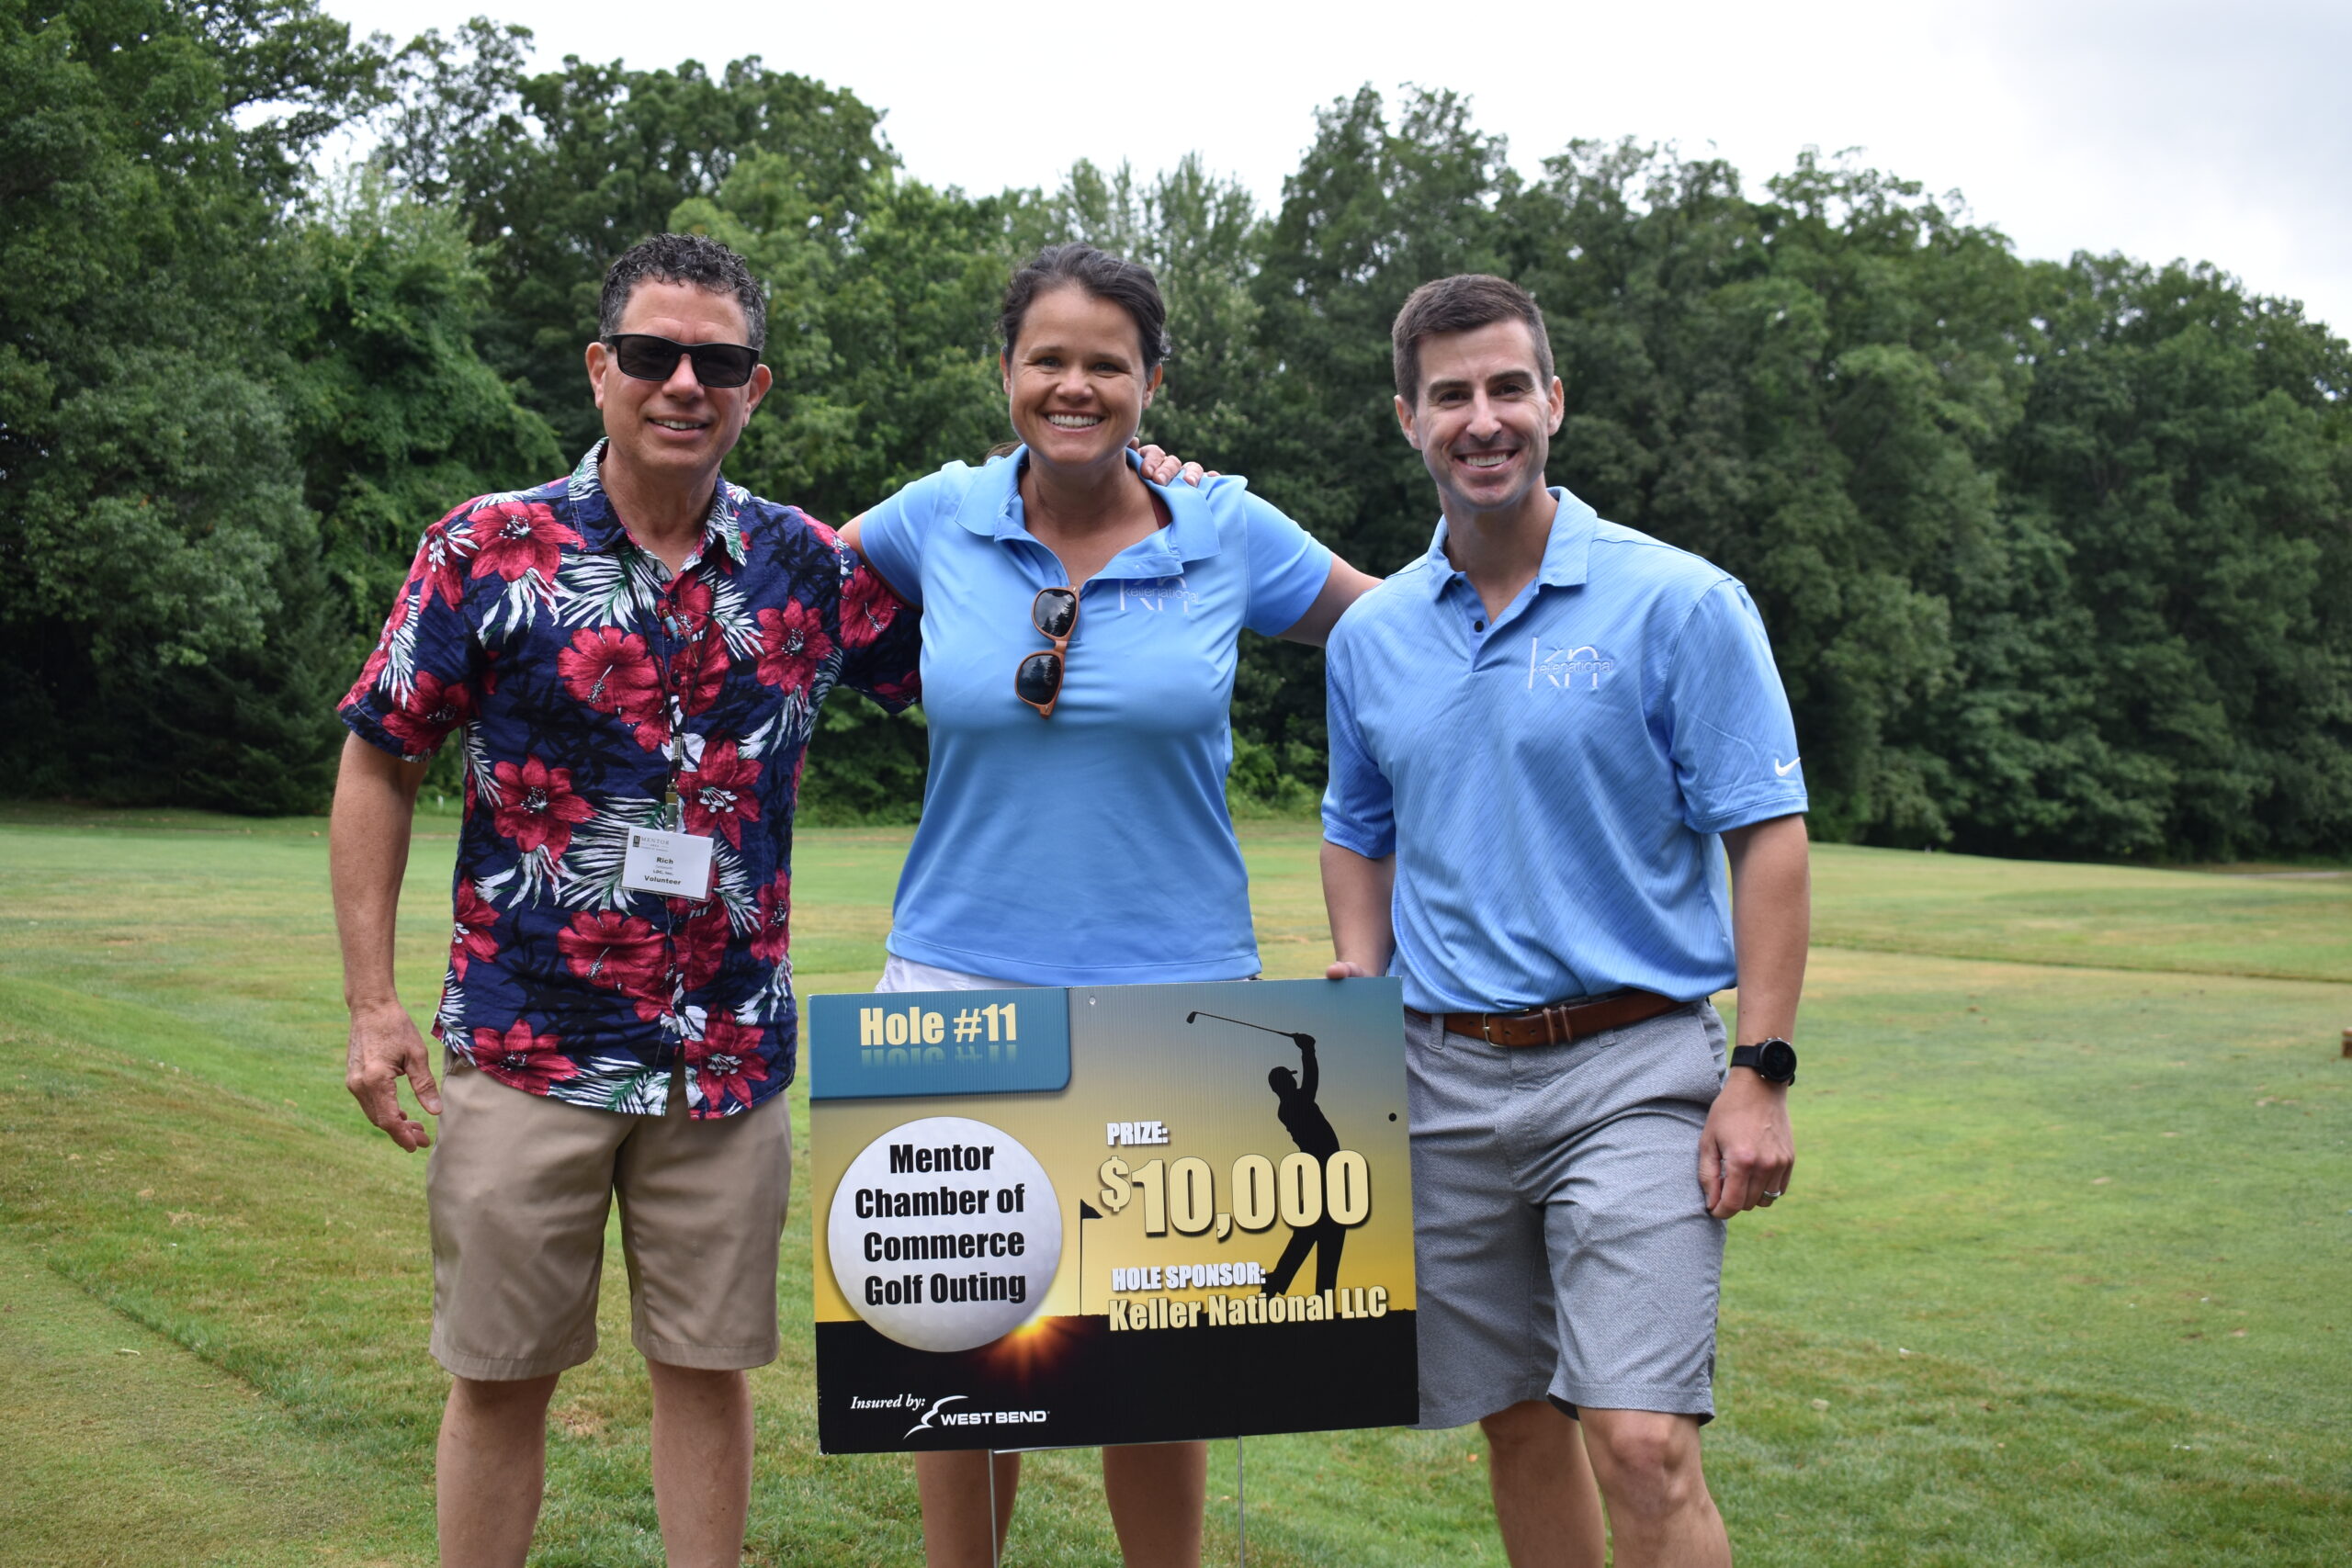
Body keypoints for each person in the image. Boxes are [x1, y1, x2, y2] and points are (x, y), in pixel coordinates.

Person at [329, 232, 926, 1568]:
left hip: (726, 1061)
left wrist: (1122, 477)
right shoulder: (490, 547)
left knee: (707, 1375)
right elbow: (380, 759)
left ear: (755, 387)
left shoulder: (805, 567)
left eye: (717, 362)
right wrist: (372, 1005)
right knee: (498, 1377)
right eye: (653, 354)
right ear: (601, 369)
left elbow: (988, 649)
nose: (683, 384)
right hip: (527, 1043)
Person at [840, 243, 1379, 1568]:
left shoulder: (1224, 526)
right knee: (960, 1360)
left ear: (1152, 384)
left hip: (1176, 996)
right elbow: (765, 587)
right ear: (1005, 371)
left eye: (1107, 364)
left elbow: (1392, 638)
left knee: (1158, 1368)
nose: (1073, 386)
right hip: (958, 985)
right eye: (1049, 359)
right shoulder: (938, 514)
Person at [1319, 274, 1812, 1568]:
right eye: (1449, 395)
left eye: (1505, 387)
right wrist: (1360, 966)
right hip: (1439, 1079)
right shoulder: (1373, 636)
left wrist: (1761, 1069)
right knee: (1517, 1420)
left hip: (1634, 1069)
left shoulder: (1681, 602)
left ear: (1552, 400)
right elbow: (1358, 827)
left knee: (1643, 1443)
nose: (1481, 419)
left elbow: (1767, 835)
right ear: (1408, 419)